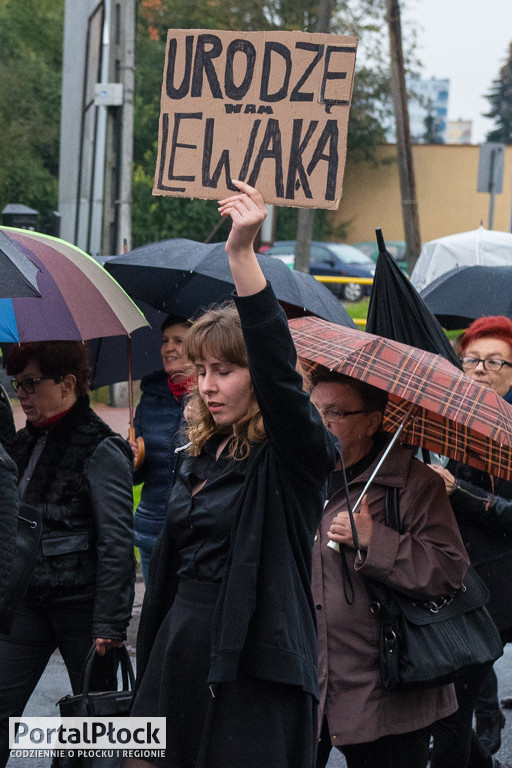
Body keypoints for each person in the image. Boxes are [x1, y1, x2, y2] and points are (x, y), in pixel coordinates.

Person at [126, 181, 336, 768]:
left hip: (254, 661)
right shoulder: (200, 451)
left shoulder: (292, 457)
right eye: (202, 369)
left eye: (225, 370)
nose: (208, 384)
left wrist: (241, 256)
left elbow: (278, 372)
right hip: (180, 646)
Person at [310, 371, 469, 768]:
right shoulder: (296, 475)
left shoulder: (412, 484)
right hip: (308, 679)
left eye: (335, 412)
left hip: (388, 688)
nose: (320, 421)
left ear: (372, 421)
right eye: (313, 409)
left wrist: (373, 538)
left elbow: (449, 570)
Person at [0, 340, 135, 768]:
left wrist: (111, 622)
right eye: (16, 384)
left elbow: (117, 540)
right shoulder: (22, 444)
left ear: (68, 383)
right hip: (26, 606)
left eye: (31, 383)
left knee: (88, 727)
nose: (21, 394)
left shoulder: (100, 446)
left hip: (84, 609)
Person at [430, 316, 512, 768]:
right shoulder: (445, 421)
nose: (480, 369)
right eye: (472, 360)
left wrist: (458, 493)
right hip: (453, 578)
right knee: (450, 699)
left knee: (453, 700)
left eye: (494, 361)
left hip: (498, 584)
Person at [131, 313, 193, 583]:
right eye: (165, 340)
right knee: (153, 619)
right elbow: (136, 476)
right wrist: (132, 458)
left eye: (179, 340)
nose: (169, 348)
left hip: (193, 533)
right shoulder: (150, 398)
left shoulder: (212, 397)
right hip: (152, 529)